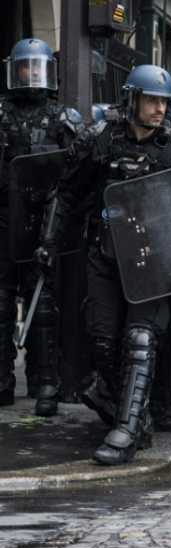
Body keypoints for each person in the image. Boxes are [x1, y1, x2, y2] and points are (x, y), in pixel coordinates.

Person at [40, 64, 171, 465]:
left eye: (164, 101)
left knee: (140, 339)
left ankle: (125, 429)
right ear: (133, 100)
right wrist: (49, 241)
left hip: (154, 262)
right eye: (152, 100)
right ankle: (131, 415)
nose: (159, 108)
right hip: (105, 254)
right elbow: (67, 192)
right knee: (103, 342)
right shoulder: (100, 140)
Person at [0, 39, 81, 414]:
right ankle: (2, 379)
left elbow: (76, 173)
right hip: (4, 217)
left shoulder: (62, 118)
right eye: (25, 67)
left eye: (38, 67)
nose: (32, 74)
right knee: (1, 302)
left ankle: (45, 379)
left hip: (43, 221)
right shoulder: (2, 114)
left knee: (43, 304)